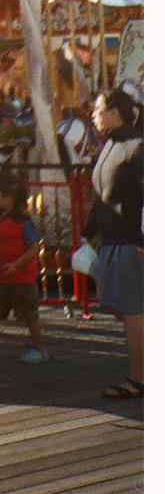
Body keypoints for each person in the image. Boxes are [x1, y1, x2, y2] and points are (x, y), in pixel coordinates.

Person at [83, 84, 143, 401]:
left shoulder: (137, 147)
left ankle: (140, 379)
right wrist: (87, 231)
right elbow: (103, 195)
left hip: (131, 242)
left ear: (114, 113)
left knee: (133, 311)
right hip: (112, 241)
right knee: (122, 308)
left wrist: (145, 239)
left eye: (97, 111)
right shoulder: (111, 146)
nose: (93, 116)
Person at [0, 171, 48, 364]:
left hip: (21, 280)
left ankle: (39, 349)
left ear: (9, 199)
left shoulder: (22, 223)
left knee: (30, 316)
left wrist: (16, 264)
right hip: (0, 276)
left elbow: (34, 247)